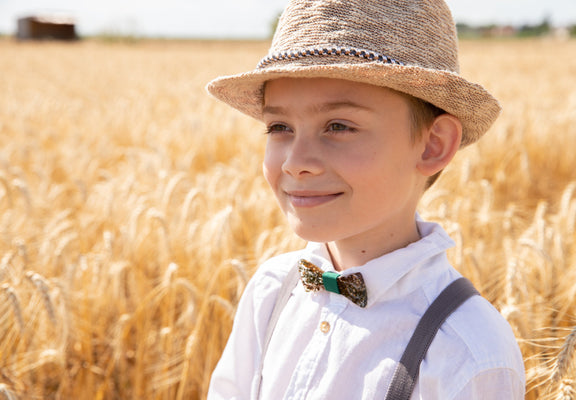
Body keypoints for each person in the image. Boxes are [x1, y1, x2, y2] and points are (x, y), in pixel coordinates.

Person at [205, 0, 526, 398]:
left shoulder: (466, 350)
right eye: (279, 126)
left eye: (339, 126)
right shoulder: (271, 292)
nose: (296, 162)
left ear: (432, 145)